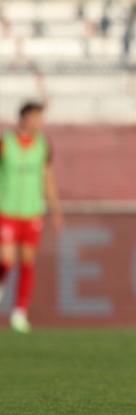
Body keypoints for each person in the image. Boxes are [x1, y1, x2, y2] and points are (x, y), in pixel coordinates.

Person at [0, 102, 63, 333]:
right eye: (35, 117)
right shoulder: (5, 142)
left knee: (28, 262)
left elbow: (47, 177)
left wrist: (56, 209)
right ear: (23, 118)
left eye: (41, 118)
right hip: (5, 209)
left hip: (32, 211)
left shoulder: (42, 145)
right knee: (7, 259)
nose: (39, 122)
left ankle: (19, 312)